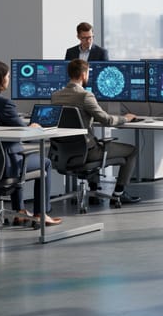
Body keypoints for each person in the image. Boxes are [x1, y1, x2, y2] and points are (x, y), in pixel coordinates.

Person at [51, 59, 141, 206]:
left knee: (92, 142)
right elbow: (107, 120)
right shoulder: (86, 96)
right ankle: (119, 194)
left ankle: (93, 191)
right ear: (83, 75)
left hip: (63, 153)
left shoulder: (56, 96)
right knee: (131, 151)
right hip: (87, 153)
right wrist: (126, 118)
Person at [0, 60, 62, 225]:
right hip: (5, 165)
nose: (9, 78)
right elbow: (26, 134)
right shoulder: (4, 104)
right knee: (45, 163)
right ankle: (41, 214)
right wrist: (34, 126)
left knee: (18, 153)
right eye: (7, 76)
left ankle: (19, 211)